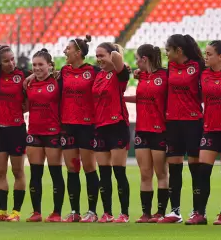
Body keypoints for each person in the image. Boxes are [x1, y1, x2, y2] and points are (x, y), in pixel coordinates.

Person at [24, 36, 101, 222]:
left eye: (68, 49)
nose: (65, 52)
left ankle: (92, 212)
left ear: (78, 52)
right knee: (72, 169)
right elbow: (46, 75)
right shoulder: (64, 72)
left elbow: (112, 73)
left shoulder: (93, 71)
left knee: (89, 167)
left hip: (87, 126)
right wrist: (34, 74)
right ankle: (74, 211)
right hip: (67, 127)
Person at [186, 40, 221, 225]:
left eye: (209, 54)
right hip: (209, 128)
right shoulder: (203, 74)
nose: (206, 57)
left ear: (220, 56)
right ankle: (200, 214)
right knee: (203, 172)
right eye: (205, 53)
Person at [157, 34, 205, 224]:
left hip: (193, 122)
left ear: (179, 50)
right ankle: (175, 211)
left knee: (195, 169)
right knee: (174, 169)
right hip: (173, 123)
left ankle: (197, 211)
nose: (166, 53)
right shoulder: (169, 67)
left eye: (168, 50)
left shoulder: (199, 66)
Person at [125, 44, 169, 223]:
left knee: (161, 173)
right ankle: (146, 213)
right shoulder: (141, 76)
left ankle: (160, 212)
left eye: (137, 58)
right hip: (142, 129)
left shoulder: (165, 76)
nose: (135, 62)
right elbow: (142, 98)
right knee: (145, 173)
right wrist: (121, 99)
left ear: (144, 59)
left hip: (160, 130)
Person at [0, 45, 30, 222]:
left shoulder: (23, 75)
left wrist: (24, 106)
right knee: (0, 172)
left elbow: (43, 75)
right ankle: (2, 211)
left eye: (12, 59)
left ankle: (16, 212)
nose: (11, 63)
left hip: (16, 129)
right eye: (6, 60)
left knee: (18, 171)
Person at [24, 49, 65, 223]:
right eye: (34, 65)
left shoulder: (58, 80)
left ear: (50, 65)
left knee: (55, 173)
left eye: (41, 64)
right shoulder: (29, 83)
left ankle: (56, 213)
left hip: (53, 132)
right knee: (35, 174)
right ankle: (36, 212)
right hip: (34, 132)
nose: (37, 68)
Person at [92, 42, 131, 223]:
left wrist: (115, 54)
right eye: (97, 56)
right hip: (100, 127)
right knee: (104, 173)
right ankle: (107, 212)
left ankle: (124, 213)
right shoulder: (98, 75)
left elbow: (117, 58)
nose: (99, 59)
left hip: (117, 126)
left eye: (102, 55)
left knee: (119, 172)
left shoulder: (119, 74)